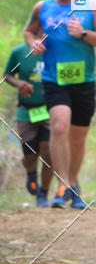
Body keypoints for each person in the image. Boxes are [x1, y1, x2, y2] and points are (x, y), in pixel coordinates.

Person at [23, 0, 96, 209]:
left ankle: (73, 184)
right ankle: (62, 184)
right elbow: (29, 31)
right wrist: (33, 43)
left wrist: (83, 34)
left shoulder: (92, 8)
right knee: (59, 126)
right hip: (54, 80)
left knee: (78, 137)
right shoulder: (42, 7)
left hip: (84, 81)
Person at [4, 42, 53, 206]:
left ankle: (43, 194)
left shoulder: (56, 47)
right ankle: (31, 174)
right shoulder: (19, 51)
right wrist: (19, 84)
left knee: (48, 151)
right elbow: (7, 74)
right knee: (30, 155)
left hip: (50, 109)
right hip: (26, 111)